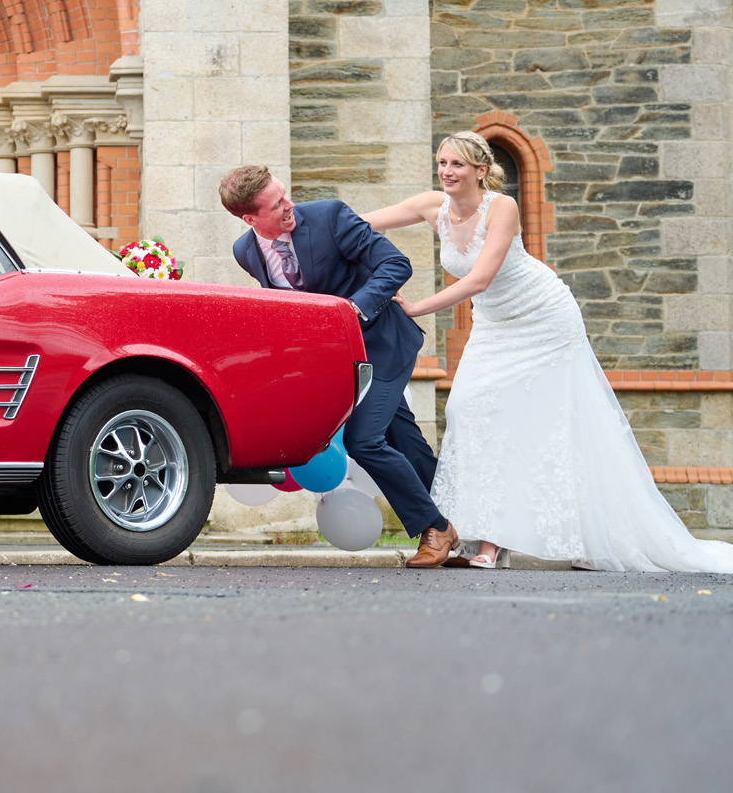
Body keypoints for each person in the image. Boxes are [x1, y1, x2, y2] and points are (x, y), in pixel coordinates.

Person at [362, 132, 733, 572]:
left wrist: (416, 307)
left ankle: (544, 539)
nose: (446, 171)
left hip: (544, 319)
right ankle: (483, 531)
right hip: (494, 326)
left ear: (481, 170)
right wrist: (298, 219)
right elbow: (358, 223)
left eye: (457, 164)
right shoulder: (432, 206)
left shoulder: (502, 207)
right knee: (466, 408)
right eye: (442, 162)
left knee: (551, 424)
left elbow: (479, 279)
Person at [219, 166, 458, 568]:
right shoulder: (245, 251)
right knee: (402, 438)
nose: (289, 204)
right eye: (276, 204)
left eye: (285, 194)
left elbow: (395, 264)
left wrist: (352, 311)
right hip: (337, 360)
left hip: (382, 343)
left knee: (364, 440)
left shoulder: (330, 216)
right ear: (250, 219)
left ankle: (436, 527)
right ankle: (462, 512)